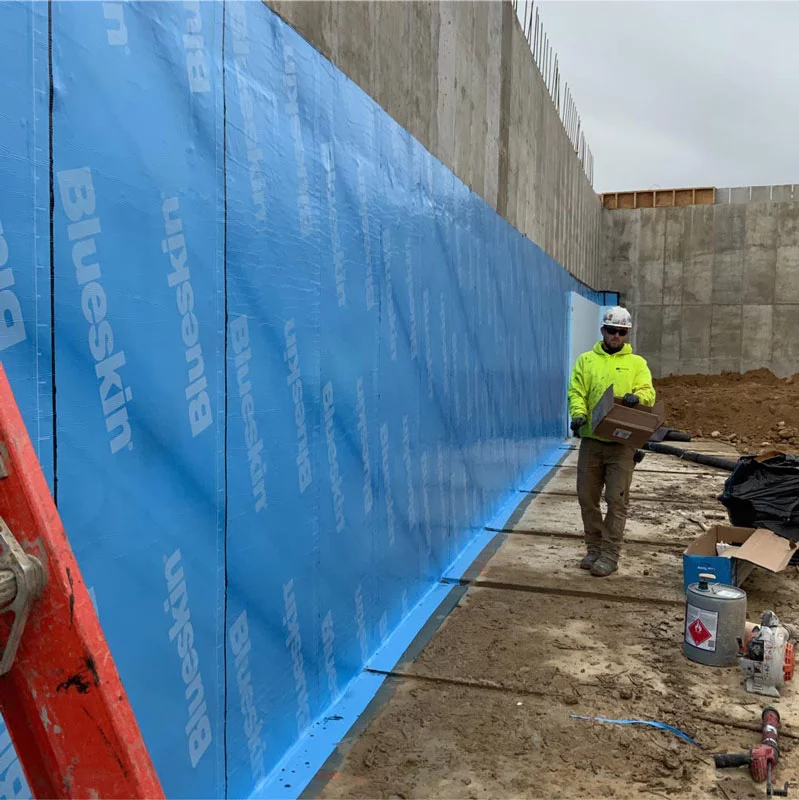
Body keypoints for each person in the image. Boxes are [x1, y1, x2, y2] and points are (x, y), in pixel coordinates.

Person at [567, 306, 655, 577]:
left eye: (622, 332)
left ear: (626, 334)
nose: (617, 336)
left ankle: (609, 554)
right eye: (612, 330)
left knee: (617, 501)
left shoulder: (637, 364)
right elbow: (577, 392)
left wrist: (636, 398)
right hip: (592, 442)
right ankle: (593, 548)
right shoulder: (586, 361)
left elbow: (648, 393)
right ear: (603, 330)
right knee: (587, 498)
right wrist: (579, 415)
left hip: (621, 446)